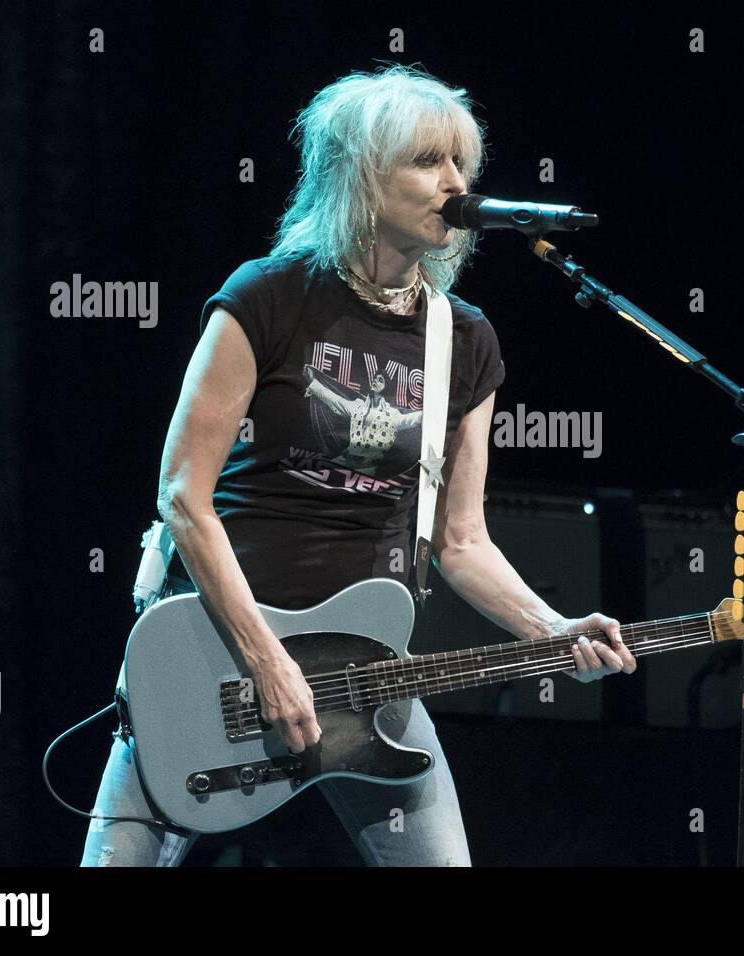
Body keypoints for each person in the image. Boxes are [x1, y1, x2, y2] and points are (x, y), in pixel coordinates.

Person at [79, 64, 636, 867]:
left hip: (368, 672)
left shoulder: (465, 341)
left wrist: (553, 630)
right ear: (360, 176)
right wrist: (266, 661)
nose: (454, 183)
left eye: (462, 166)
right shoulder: (269, 296)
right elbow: (182, 495)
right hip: (217, 659)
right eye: (427, 161)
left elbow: (463, 540)